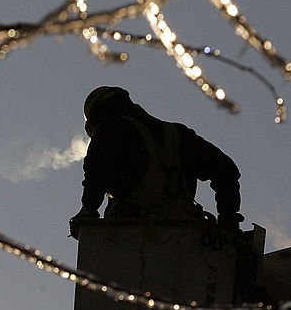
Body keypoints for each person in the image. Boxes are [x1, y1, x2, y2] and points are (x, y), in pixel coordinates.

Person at [69, 86, 243, 237]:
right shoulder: (178, 135)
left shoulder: (108, 129)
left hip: (132, 243)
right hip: (185, 242)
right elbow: (226, 171)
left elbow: (95, 173)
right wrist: (228, 221)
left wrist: (87, 211)